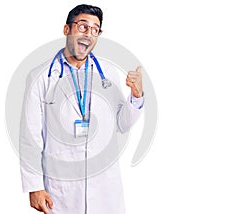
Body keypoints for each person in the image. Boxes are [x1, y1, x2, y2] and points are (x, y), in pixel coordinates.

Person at [20, 4, 144, 214]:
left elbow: (122, 124)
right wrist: (34, 186)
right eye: (83, 26)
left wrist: (136, 95)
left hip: (105, 189)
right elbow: (30, 136)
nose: (89, 34)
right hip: (63, 190)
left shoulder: (108, 73)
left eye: (95, 29)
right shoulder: (40, 77)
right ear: (67, 30)